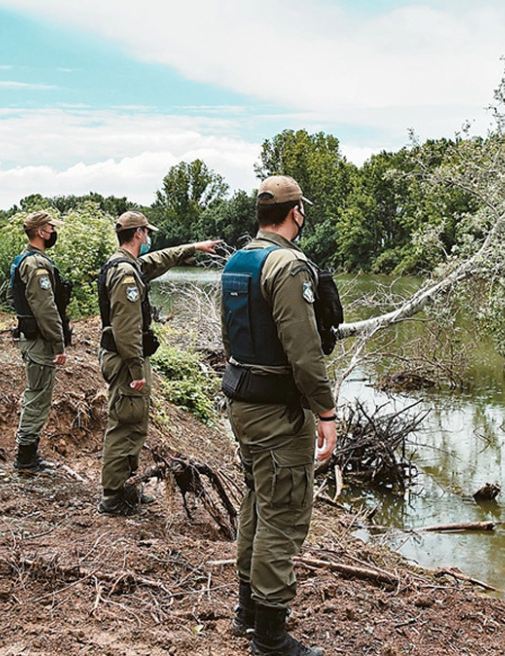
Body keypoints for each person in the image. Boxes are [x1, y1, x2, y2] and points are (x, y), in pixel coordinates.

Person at [220, 176, 337, 656]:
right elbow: (304, 351)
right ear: (296, 214)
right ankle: (270, 637)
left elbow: (231, 339)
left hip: (243, 402)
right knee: (283, 515)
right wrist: (325, 410)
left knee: (256, 501)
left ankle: (247, 612)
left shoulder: (237, 261)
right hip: (277, 413)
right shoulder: (287, 265)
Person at [96, 210, 221, 516]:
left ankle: (128, 487)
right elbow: (126, 329)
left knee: (134, 423)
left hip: (127, 360)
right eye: (146, 232)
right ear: (138, 233)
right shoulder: (125, 273)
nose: (149, 237)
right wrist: (137, 370)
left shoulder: (127, 264)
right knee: (124, 424)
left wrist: (193, 248)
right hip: (127, 361)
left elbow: (160, 260)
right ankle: (113, 496)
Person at [10, 211, 73, 473]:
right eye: (50, 228)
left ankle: (29, 456)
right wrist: (58, 344)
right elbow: (45, 308)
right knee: (37, 397)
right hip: (39, 342)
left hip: (34, 339)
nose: (53, 232)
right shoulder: (35, 264)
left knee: (37, 395)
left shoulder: (28, 260)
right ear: (40, 232)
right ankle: (25, 459)